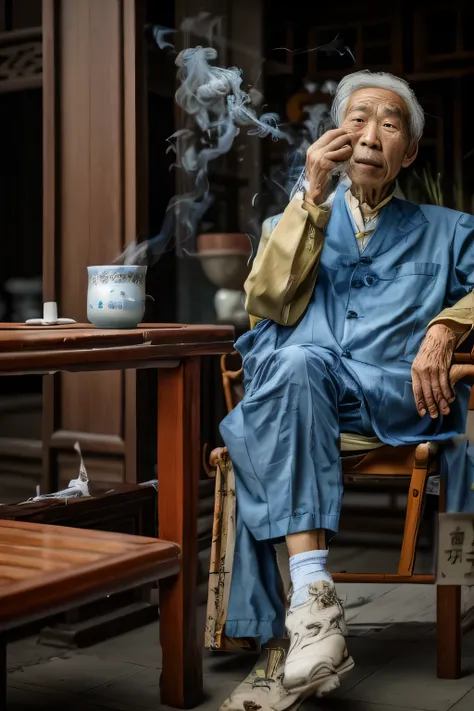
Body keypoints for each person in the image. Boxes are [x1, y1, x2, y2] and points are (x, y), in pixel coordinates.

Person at [214, 70, 474, 710]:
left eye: (390, 124)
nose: (370, 134)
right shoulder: (293, 217)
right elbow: (266, 303)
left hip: (395, 396)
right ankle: (314, 606)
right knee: (297, 362)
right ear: (333, 135)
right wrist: (310, 195)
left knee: (287, 377)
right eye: (357, 119)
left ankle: (307, 606)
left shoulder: (450, 227)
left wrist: (445, 328)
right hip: (308, 392)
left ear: (407, 153)